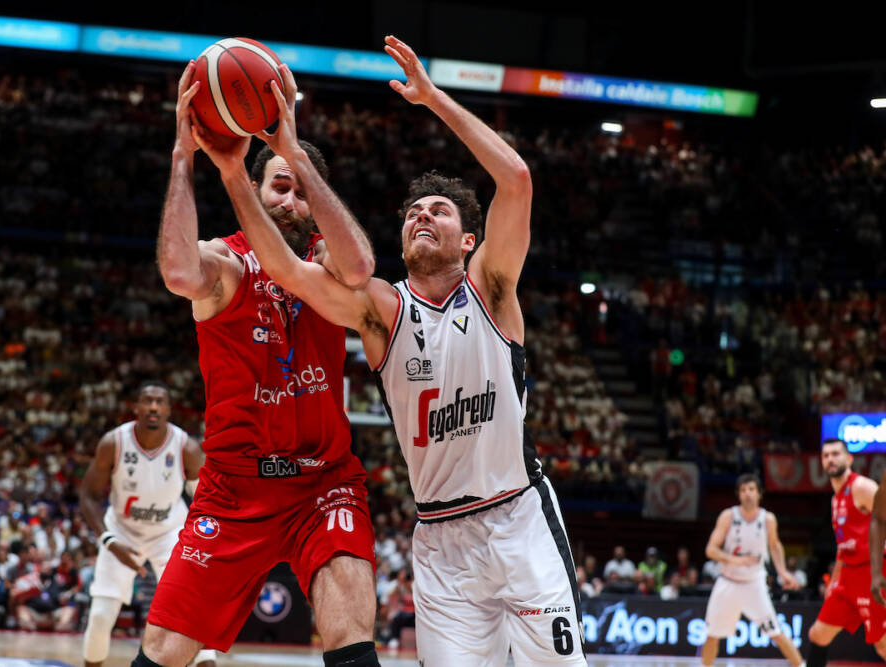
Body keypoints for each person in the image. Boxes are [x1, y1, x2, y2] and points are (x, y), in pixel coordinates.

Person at [192, 35, 584, 665]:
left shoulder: (491, 286)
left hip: (519, 518)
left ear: (468, 240)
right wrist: (246, 171)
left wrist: (432, 99)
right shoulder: (383, 309)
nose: (423, 216)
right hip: (440, 540)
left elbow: (515, 178)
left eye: (440, 211)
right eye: (413, 213)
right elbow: (287, 270)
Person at [133, 57, 380, 667]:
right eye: (279, 185)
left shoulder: (325, 263)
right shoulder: (227, 261)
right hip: (234, 486)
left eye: (301, 191)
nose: (290, 200)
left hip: (323, 481)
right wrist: (184, 157)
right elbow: (178, 273)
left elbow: (359, 267)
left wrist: (293, 152)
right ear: (257, 187)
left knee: (349, 624)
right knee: (165, 649)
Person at [79, 381, 214, 667]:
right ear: (136, 407)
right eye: (147, 400)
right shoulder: (113, 443)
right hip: (121, 532)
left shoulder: (186, 448)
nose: (153, 407)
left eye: (159, 401)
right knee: (101, 615)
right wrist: (109, 541)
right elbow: (89, 495)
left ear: (168, 409)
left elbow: (206, 501)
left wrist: (202, 541)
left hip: (169, 532)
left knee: (190, 611)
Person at [700, 473, 803, 667]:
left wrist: (782, 572)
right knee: (712, 635)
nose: (747, 494)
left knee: (776, 632)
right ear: (738, 494)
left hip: (754, 584)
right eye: (743, 490)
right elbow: (711, 549)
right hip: (728, 582)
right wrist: (736, 560)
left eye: (751, 489)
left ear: (759, 493)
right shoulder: (728, 516)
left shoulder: (768, 519)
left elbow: (774, 545)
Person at [808, 438, 886, 666]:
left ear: (849, 459)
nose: (830, 459)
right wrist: (834, 582)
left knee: (882, 644)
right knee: (818, 634)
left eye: (835, 454)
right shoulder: (836, 499)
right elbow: (843, 547)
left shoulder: (861, 486)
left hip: (871, 573)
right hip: (847, 579)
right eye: (826, 455)